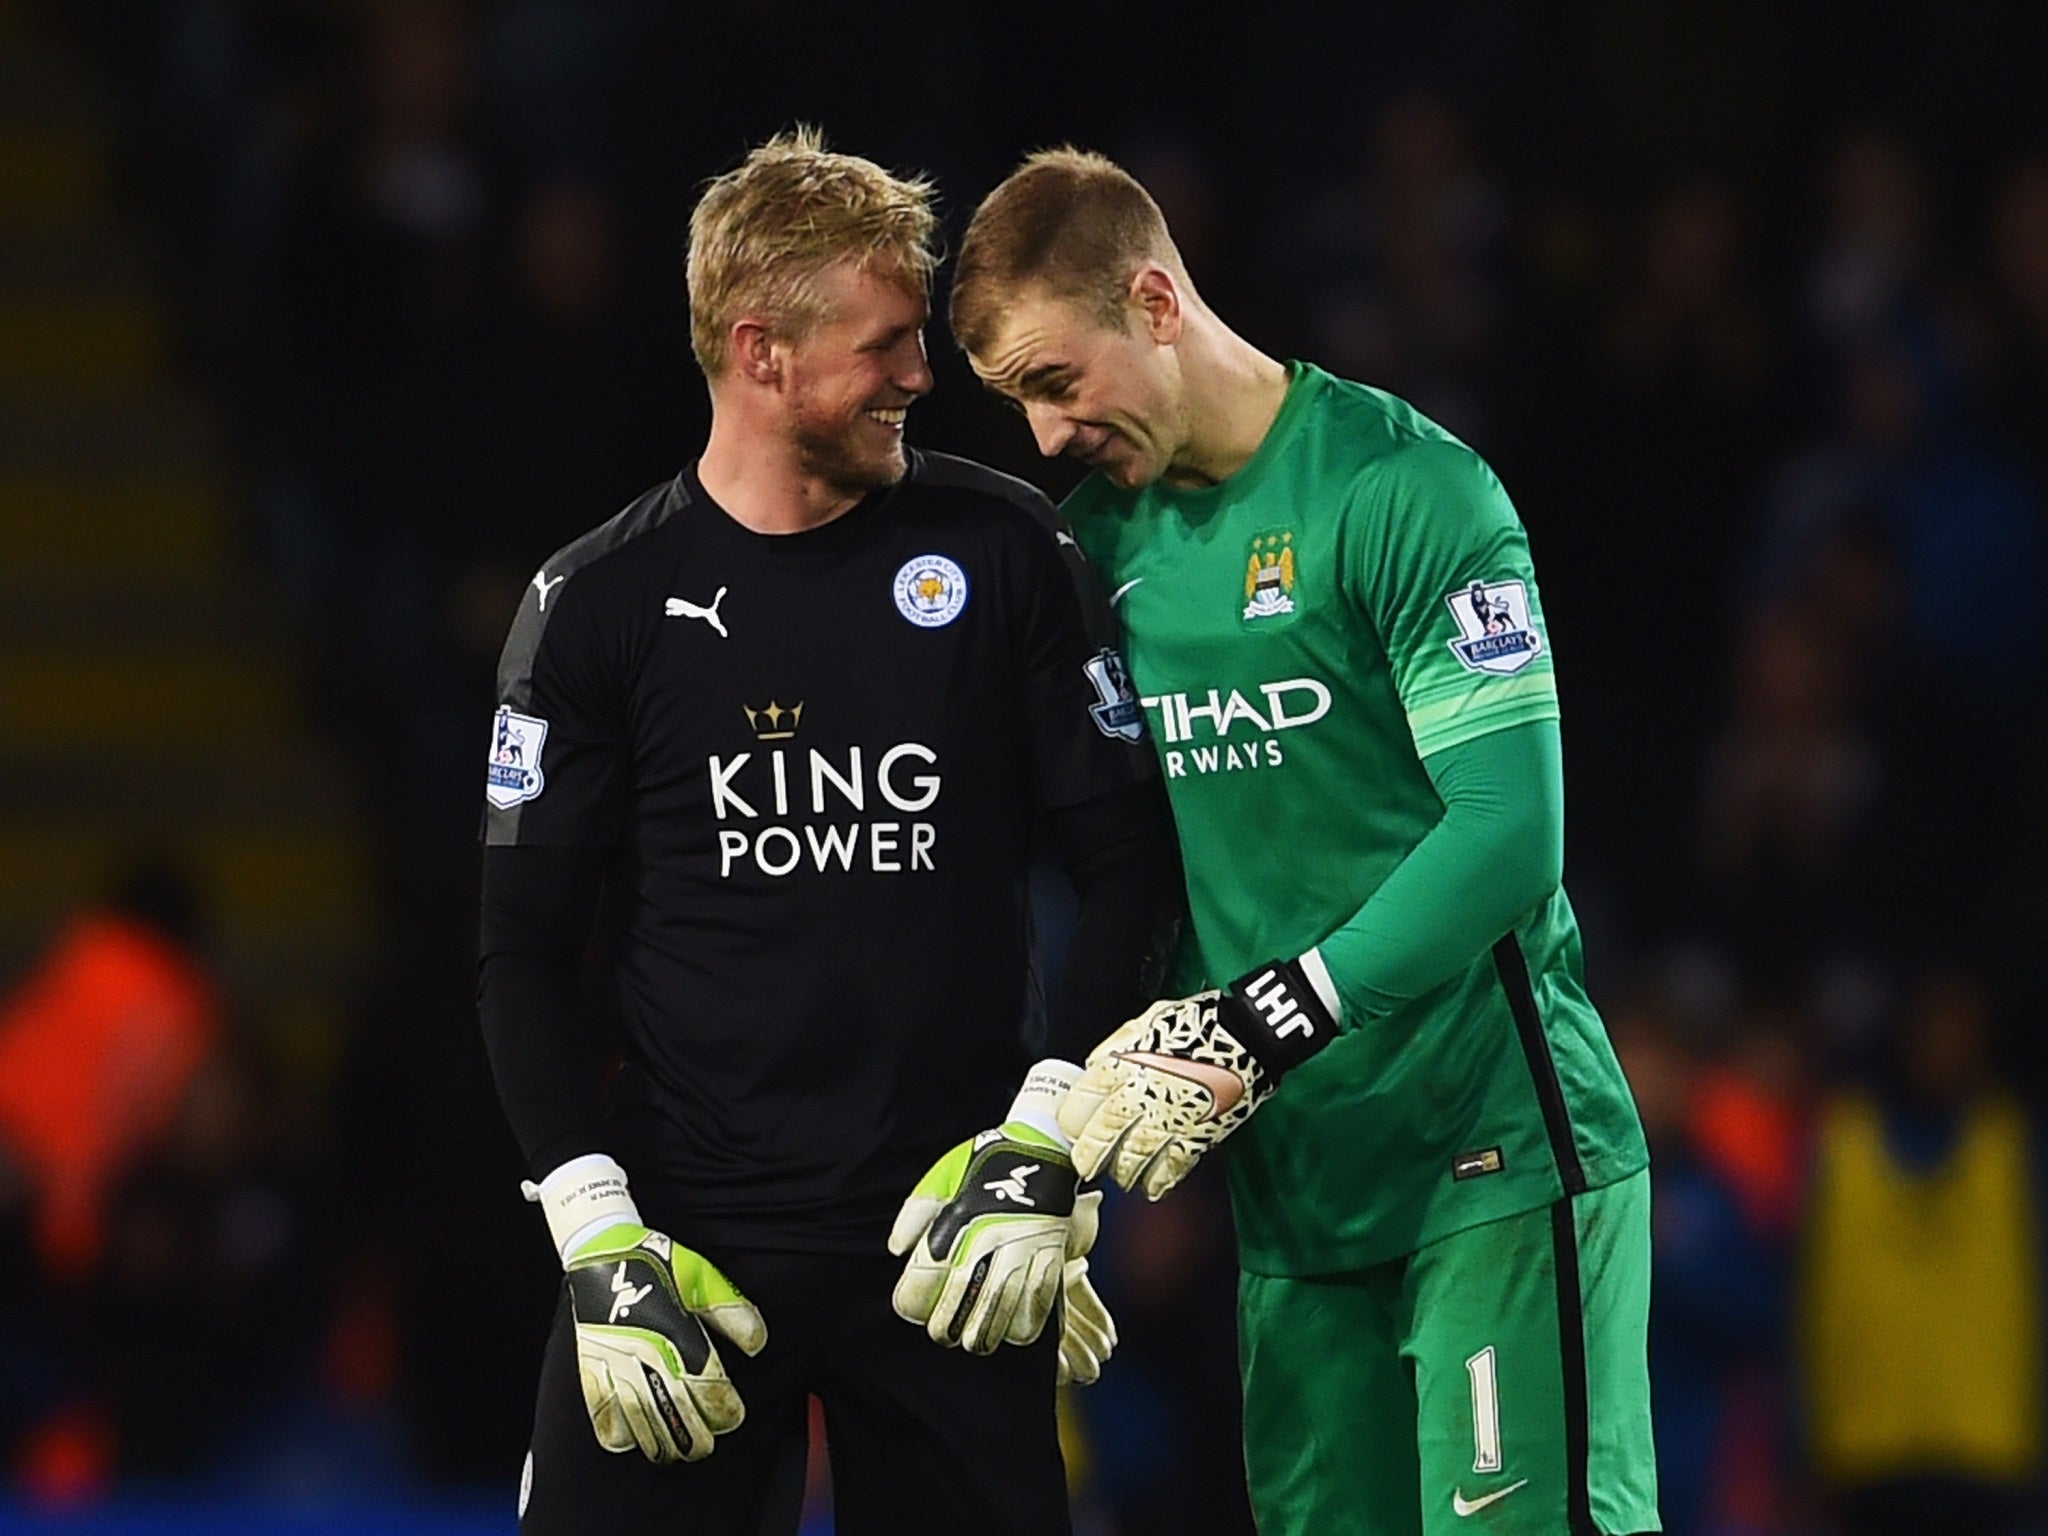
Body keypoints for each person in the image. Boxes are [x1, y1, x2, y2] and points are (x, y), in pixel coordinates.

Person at [945, 148, 1658, 1536]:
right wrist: (1051, 1144)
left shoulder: (1408, 494)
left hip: (1495, 1164)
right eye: (1016, 402)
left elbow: (1513, 834)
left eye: (1053, 381)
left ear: (1155, 300)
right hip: (1297, 1214)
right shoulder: (1093, 558)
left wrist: (1273, 1019)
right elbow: (1127, 876)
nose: (1042, 438)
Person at [477, 130, 1177, 1536]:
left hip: (947, 1245)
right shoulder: (597, 604)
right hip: (682, 1258)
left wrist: (1046, 1144)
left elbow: (1131, 871)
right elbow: (518, 956)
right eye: (889, 344)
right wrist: (592, 1227)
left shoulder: (1008, 555)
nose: (924, 375)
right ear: (762, 352)